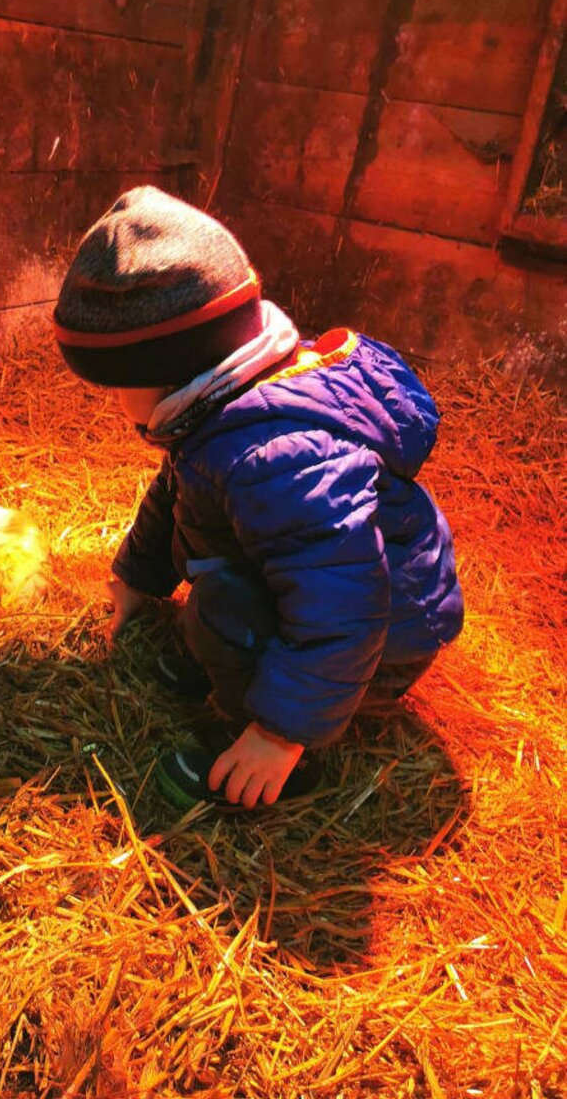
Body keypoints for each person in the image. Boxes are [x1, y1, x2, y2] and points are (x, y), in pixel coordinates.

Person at [52, 186, 464, 812]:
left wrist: (280, 735)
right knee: (220, 598)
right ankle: (235, 670)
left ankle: (274, 753)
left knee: (223, 607)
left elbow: (344, 605)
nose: (116, 404)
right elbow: (176, 494)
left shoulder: (274, 456)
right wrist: (136, 578)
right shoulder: (226, 414)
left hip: (381, 638)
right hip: (343, 604)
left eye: (120, 385)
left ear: (172, 369)